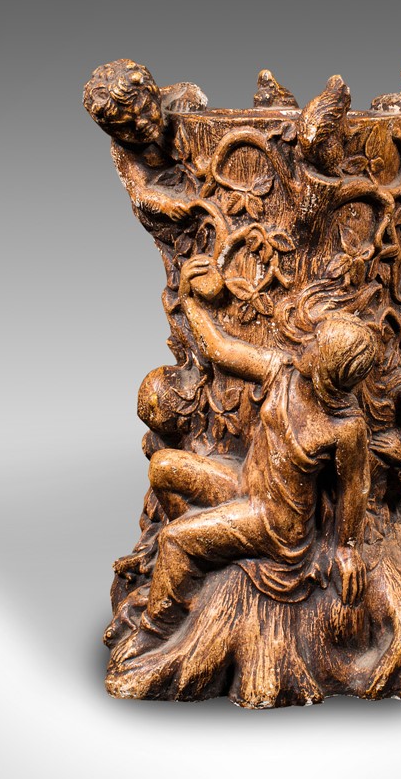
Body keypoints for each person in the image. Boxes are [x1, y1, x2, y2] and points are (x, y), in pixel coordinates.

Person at [135, 255, 377, 646]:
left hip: (275, 525)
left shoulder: (344, 429)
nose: (307, 342)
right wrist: (190, 301)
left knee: (174, 538)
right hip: (245, 486)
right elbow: (221, 349)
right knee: (163, 467)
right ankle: (199, 562)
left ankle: (156, 631)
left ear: (329, 368)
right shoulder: (282, 373)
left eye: (318, 344)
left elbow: (355, 490)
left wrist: (347, 549)